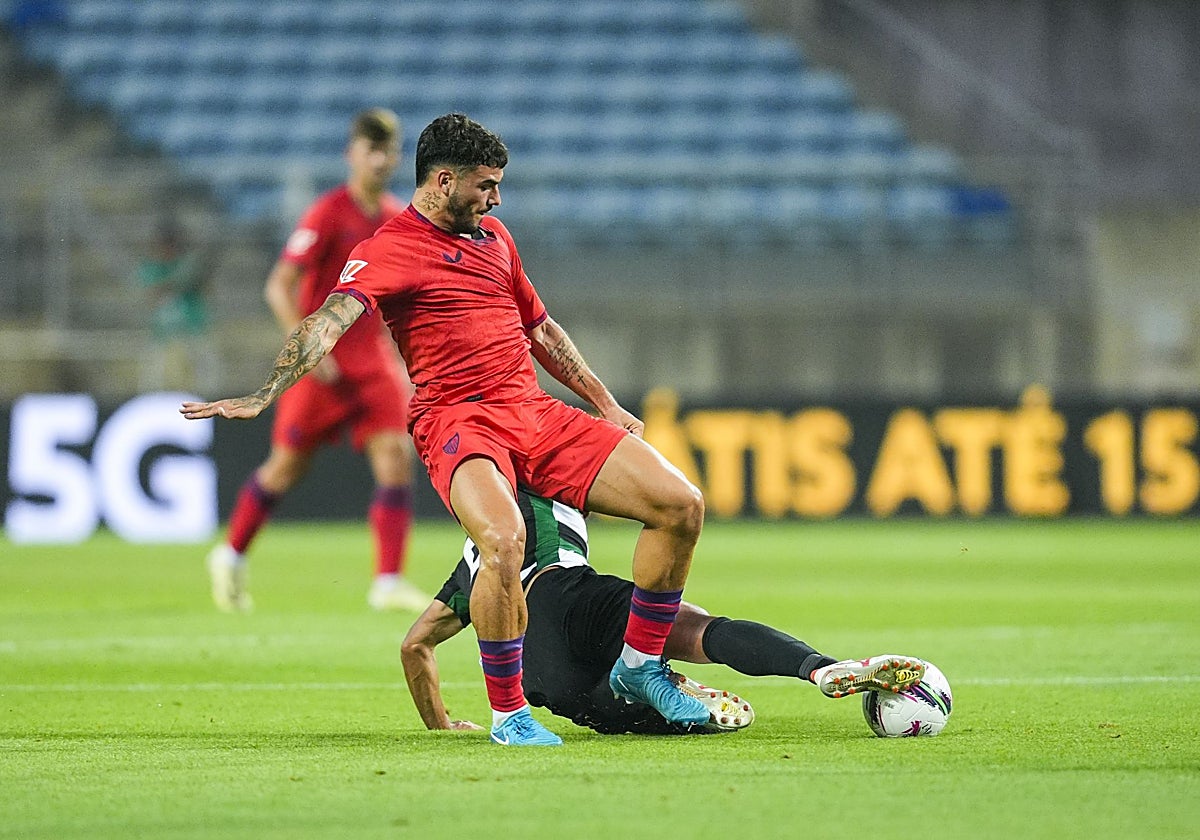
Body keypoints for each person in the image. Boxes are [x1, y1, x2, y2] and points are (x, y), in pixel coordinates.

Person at [182, 113, 713, 747]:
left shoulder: (495, 238)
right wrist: (265, 392)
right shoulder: (386, 248)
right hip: (458, 422)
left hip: (533, 412)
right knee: (504, 541)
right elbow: (328, 319)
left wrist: (604, 402)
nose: (495, 199)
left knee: (681, 505)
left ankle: (638, 668)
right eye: (486, 185)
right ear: (442, 181)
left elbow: (540, 329)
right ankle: (509, 714)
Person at [401, 488, 926, 736]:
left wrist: (442, 724)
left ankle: (662, 701)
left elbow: (415, 645)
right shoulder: (544, 477)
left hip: (541, 677)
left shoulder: (472, 570)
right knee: (694, 629)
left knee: (606, 706)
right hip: (567, 597)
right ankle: (818, 666)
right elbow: (650, 499)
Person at [205, 108, 427, 614]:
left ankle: (388, 580)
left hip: (370, 362)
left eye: (388, 151)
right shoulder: (328, 213)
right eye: (371, 149)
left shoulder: (395, 220)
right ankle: (231, 555)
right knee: (285, 469)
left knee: (395, 459)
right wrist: (302, 343)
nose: (380, 159)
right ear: (352, 154)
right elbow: (278, 285)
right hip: (320, 365)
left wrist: (403, 360)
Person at [134, 219, 219, 394]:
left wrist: (184, 279)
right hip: (163, 332)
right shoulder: (151, 267)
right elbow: (151, 294)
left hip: (193, 326)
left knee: (205, 373)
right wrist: (175, 283)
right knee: (156, 375)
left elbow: (203, 285)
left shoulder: (188, 263)